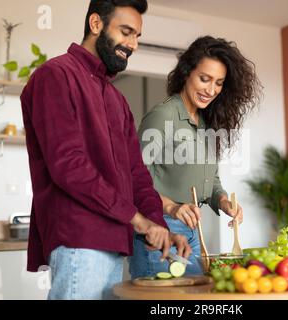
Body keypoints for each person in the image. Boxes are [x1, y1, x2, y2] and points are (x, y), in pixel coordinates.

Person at [20, 0, 191, 300]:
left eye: (137, 36)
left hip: (115, 242)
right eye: (126, 32)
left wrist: (160, 228)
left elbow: (137, 176)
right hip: (79, 240)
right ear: (96, 24)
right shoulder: (54, 76)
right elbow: (68, 166)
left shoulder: (116, 99)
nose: (133, 44)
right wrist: (138, 220)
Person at [129, 36, 262, 278]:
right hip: (162, 230)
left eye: (219, 83)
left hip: (194, 231)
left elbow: (212, 180)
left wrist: (222, 200)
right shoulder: (163, 116)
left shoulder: (206, 123)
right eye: (205, 79)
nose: (211, 90)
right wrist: (172, 207)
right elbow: (133, 180)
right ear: (187, 72)